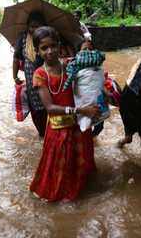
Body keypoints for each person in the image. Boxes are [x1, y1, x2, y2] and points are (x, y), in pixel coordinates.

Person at [29, 26, 100, 202]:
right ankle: (62, 197)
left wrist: (86, 48)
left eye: (53, 46)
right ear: (37, 51)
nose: (50, 51)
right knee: (60, 168)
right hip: (59, 130)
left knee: (80, 162)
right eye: (44, 48)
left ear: (59, 45)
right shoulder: (39, 75)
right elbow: (50, 108)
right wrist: (81, 110)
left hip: (78, 125)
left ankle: (80, 193)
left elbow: (89, 71)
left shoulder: (69, 64)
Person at [13, 11, 47, 137]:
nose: (34, 29)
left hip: (48, 79)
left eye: (38, 26)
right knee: (37, 111)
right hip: (31, 80)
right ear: (27, 26)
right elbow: (16, 58)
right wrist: (15, 76)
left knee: (50, 107)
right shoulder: (23, 38)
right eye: (32, 26)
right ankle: (42, 135)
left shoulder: (48, 37)